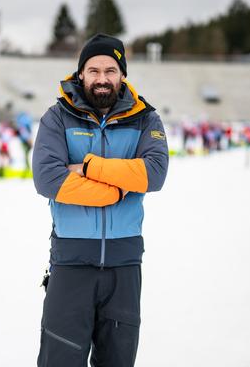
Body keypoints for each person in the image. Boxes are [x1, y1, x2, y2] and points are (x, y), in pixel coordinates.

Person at [32, 33, 169, 367]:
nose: (102, 78)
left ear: (122, 74)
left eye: (110, 70)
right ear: (81, 73)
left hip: (123, 266)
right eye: (94, 70)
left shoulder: (146, 119)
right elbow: (48, 178)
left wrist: (90, 166)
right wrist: (117, 189)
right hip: (71, 263)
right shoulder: (58, 117)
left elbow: (154, 175)